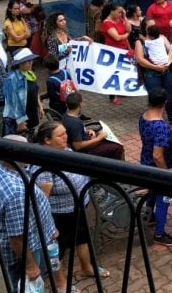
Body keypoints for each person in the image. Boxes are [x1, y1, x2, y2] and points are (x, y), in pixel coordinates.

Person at [32, 122, 105, 288]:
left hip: (78, 207)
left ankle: (87, 268)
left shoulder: (65, 150)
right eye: (61, 135)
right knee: (58, 251)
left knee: (81, 238)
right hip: (60, 215)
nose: (66, 136)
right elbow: (42, 198)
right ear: (47, 140)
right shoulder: (44, 163)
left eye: (65, 133)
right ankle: (61, 283)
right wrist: (47, 224)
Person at [0, 135, 58, 290]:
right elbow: (16, 239)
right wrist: (31, 266)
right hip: (26, 250)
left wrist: (49, 229)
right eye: (25, 150)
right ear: (12, 157)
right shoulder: (16, 193)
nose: (29, 152)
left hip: (26, 238)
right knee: (27, 286)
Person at [138, 88, 172, 247]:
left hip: (145, 163)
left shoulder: (143, 117)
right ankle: (159, 233)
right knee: (163, 199)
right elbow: (158, 155)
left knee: (151, 192)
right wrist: (166, 172)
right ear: (164, 103)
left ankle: (149, 217)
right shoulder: (161, 127)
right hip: (157, 168)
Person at [61, 92, 124, 159]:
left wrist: (88, 131)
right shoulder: (75, 123)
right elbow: (77, 146)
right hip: (86, 153)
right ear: (80, 104)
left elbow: (74, 133)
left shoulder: (66, 116)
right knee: (117, 147)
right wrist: (98, 138)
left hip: (87, 139)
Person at [135, 24, 172, 124]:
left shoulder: (161, 37)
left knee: (169, 95)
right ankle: (155, 119)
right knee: (155, 97)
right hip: (151, 74)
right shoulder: (140, 42)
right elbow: (140, 60)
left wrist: (168, 62)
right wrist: (156, 67)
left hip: (165, 71)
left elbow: (170, 50)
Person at [3, 48, 42, 134]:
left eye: (31, 60)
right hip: (19, 118)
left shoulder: (29, 73)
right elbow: (11, 102)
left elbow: (36, 90)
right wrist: (20, 121)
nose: (30, 63)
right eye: (27, 61)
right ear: (19, 63)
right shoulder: (11, 79)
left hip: (31, 113)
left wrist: (39, 105)